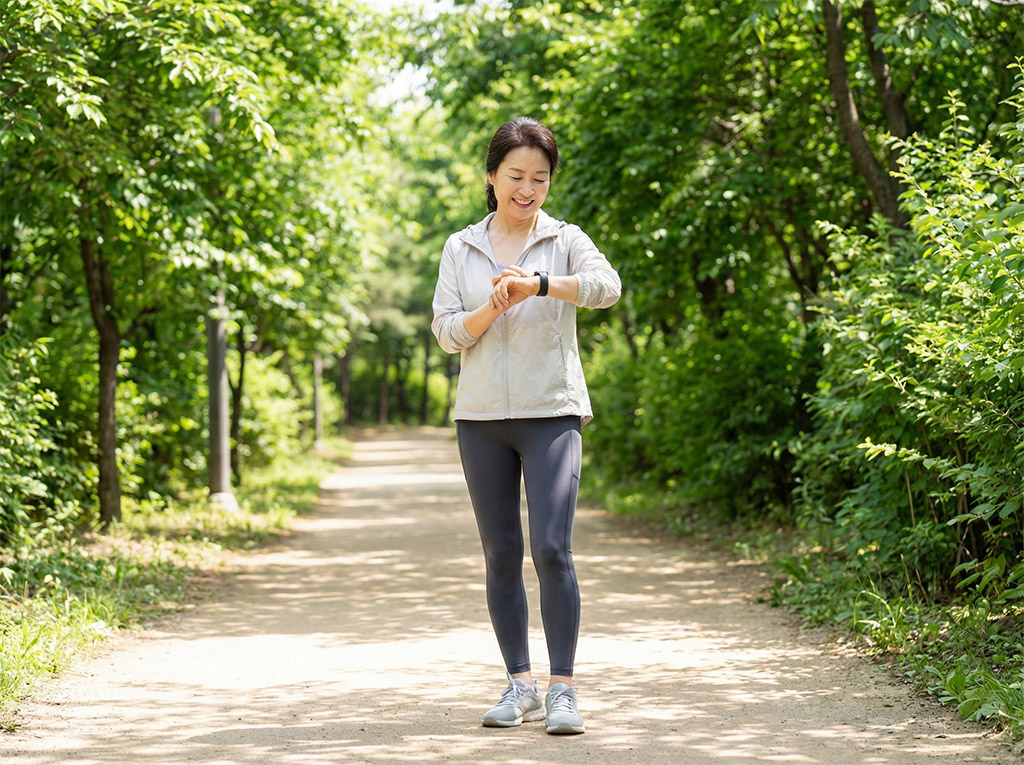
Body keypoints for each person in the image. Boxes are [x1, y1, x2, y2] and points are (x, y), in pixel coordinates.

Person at [431, 116, 621, 735]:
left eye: (540, 177)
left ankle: (562, 689)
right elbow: (446, 332)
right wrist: (492, 306)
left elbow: (607, 287)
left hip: (552, 412)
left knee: (551, 549)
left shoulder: (565, 239)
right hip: (481, 417)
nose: (527, 188)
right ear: (491, 177)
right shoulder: (461, 247)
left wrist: (538, 284)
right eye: (515, 175)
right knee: (501, 552)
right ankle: (520, 685)